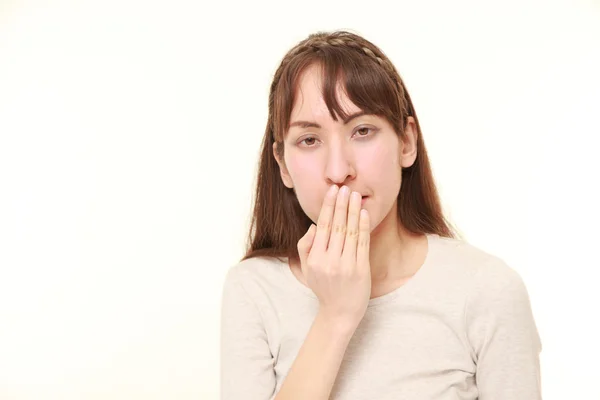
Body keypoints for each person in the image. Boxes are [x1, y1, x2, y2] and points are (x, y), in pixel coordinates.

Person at [220, 30, 542, 400]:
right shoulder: (254, 290)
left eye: (362, 131)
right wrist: (335, 316)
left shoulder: (485, 290)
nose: (339, 170)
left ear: (406, 142)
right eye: (309, 140)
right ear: (283, 165)